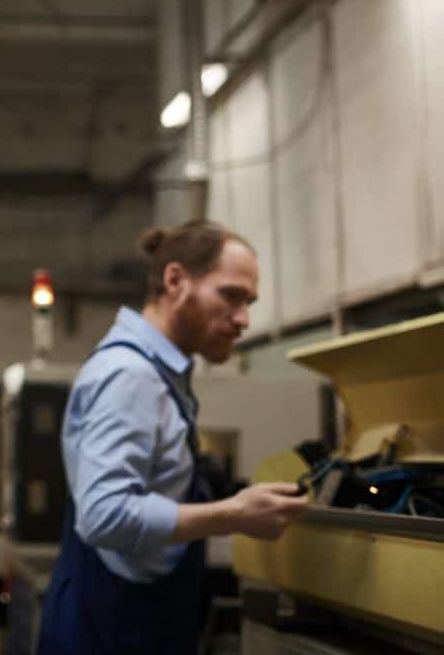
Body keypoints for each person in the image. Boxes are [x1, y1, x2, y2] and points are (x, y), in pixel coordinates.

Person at [37, 220, 309, 655]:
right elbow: (104, 513)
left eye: (249, 302)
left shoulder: (159, 373)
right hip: (111, 631)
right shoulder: (132, 376)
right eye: (231, 296)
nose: (243, 319)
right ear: (175, 281)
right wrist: (233, 515)